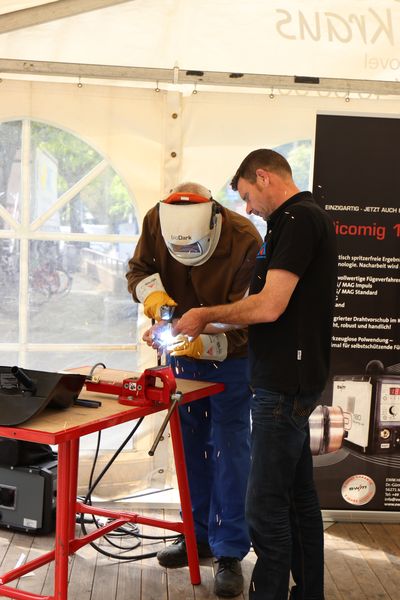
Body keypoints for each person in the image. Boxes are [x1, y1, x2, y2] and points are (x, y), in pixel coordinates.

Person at [173, 150, 338, 600]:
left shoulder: (299, 221)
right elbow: (255, 309)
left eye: (247, 196)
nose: (247, 208)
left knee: (264, 507)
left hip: (283, 387)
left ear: (263, 177)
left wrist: (206, 313)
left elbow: (269, 306)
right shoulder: (288, 223)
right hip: (287, 382)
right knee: (298, 498)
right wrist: (195, 324)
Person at [126, 182, 262, 597]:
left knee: (229, 450)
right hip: (182, 361)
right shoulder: (156, 220)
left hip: (232, 358)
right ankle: (196, 535)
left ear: (215, 221)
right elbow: (138, 271)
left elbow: (248, 316)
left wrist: (202, 339)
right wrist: (157, 304)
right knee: (190, 448)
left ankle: (229, 551)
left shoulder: (244, 238)